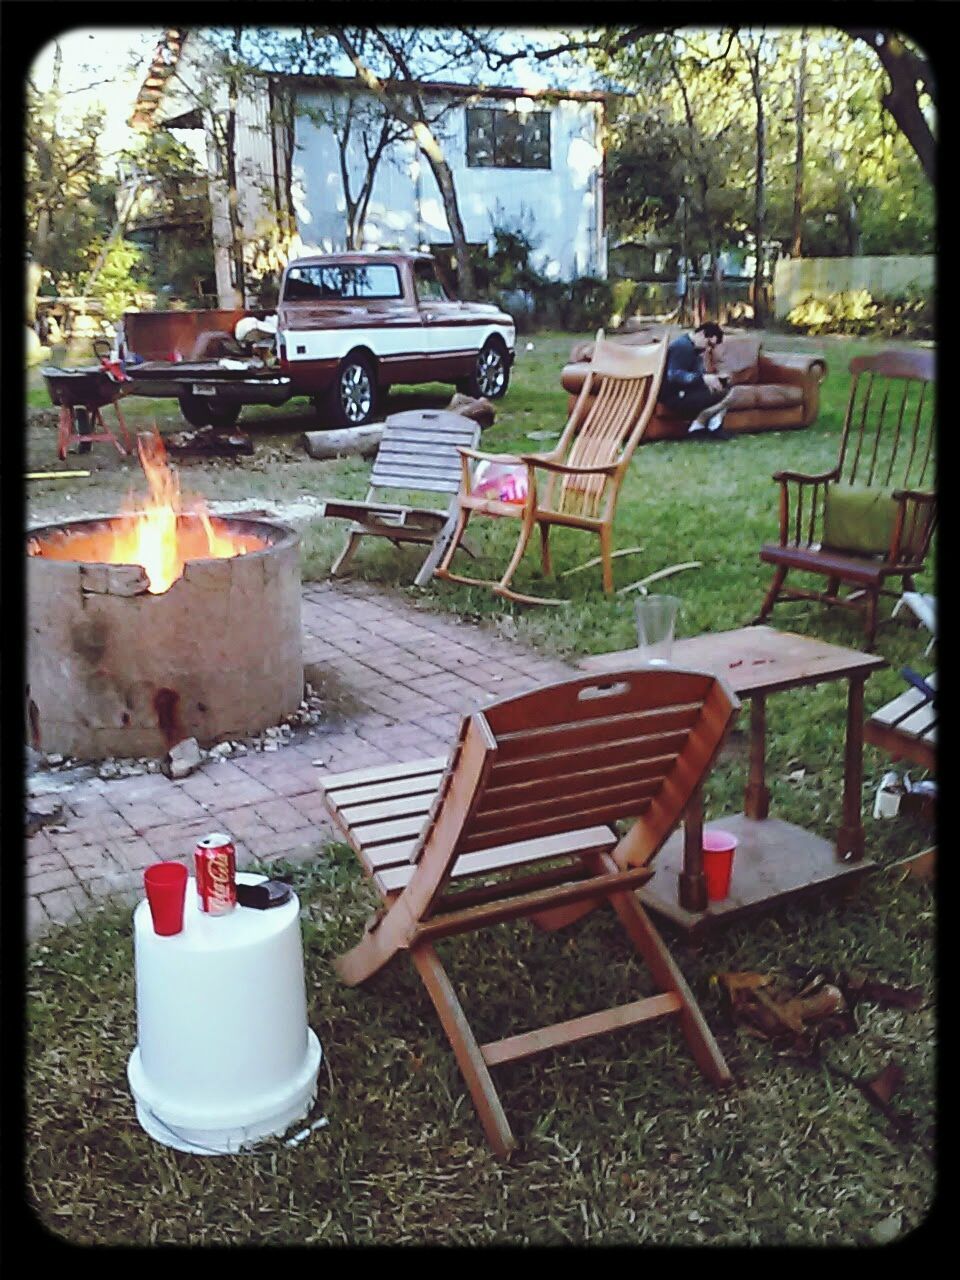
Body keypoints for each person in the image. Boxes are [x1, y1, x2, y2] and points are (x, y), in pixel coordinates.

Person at [659, 321, 736, 440]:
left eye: (712, 346)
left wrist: (714, 380)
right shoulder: (682, 346)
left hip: (687, 392)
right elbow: (673, 375)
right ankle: (699, 427)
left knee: (727, 389)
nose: (709, 349)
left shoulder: (696, 349)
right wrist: (703, 379)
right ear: (701, 334)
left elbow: (697, 375)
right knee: (726, 396)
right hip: (674, 396)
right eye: (709, 343)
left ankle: (711, 426)